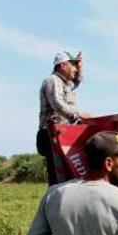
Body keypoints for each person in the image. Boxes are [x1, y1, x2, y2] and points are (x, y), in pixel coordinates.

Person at [36, 50, 87, 185]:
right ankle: (55, 203)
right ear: (63, 65)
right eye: (73, 65)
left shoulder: (64, 83)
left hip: (62, 135)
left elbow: (77, 81)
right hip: (51, 134)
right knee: (59, 179)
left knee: (68, 177)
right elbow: (58, 104)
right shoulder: (52, 81)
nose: (75, 69)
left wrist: (80, 67)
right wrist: (78, 115)